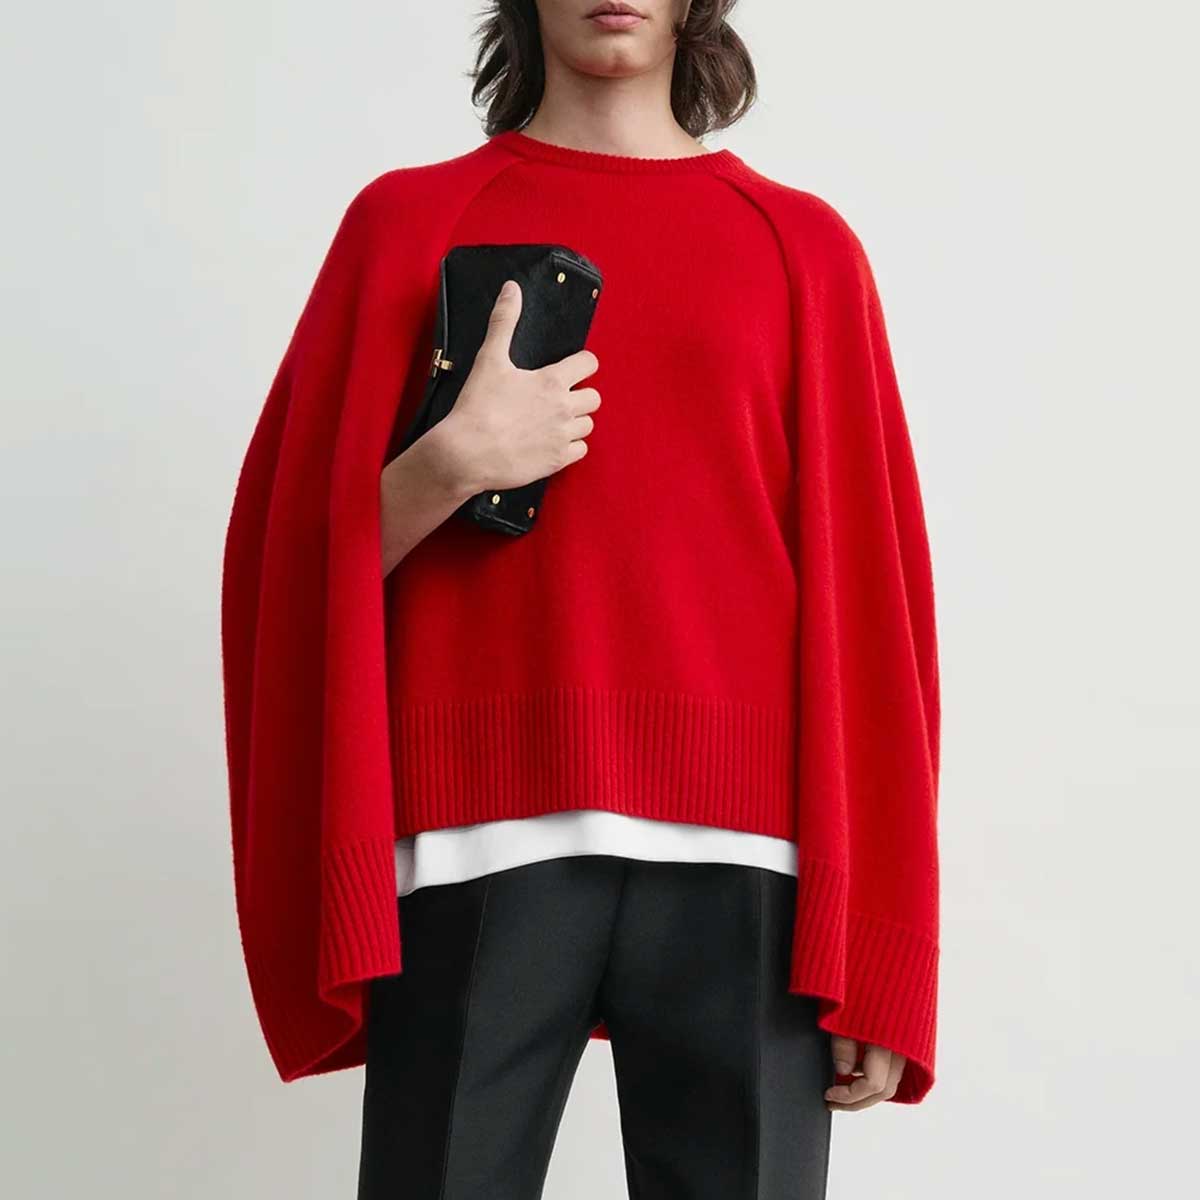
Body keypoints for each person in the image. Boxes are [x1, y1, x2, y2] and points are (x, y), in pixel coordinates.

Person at [220, 2, 942, 1197]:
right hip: (475, 832)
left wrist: (879, 949)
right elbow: (277, 569)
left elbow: (876, 609)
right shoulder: (406, 222)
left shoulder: (803, 248)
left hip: (750, 851)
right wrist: (446, 469)